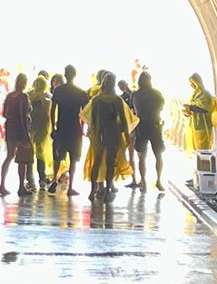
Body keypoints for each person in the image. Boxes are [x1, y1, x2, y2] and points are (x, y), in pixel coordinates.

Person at [85, 72, 130, 210]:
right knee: (111, 163)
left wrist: (92, 131)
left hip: (100, 134)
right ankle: (108, 190)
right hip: (113, 133)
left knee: (97, 162)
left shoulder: (97, 100)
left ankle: (93, 190)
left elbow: (91, 119)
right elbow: (123, 119)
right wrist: (126, 135)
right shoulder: (117, 101)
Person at [49, 63, 87, 195]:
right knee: (73, 158)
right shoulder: (80, 93)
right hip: (74, 127)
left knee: (58, 155)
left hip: (62, 126)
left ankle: (54, 179)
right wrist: (82, 127)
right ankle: (70, 186)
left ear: (65, 75)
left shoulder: (59, 91)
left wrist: (53, 126)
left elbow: (52, 109)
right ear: (75, 75)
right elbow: (84, 113)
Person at [129, 69, 165, 190]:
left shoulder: (135, 95)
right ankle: (159, 180)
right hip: (155, 124)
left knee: (141, 156)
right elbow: (161, 107)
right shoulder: (157, 94)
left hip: (141, 126)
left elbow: (132, 110)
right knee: (158, 155)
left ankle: (143, 181)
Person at [0, 71, 34, 193]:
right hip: (19, 129)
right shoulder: (23, 97)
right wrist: (26, 134)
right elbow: (23, 115)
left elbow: (4, 113)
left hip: (10, 128)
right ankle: (21, 186)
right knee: (22, 159)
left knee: (9, 156)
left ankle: (2, 184)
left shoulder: (9, 96)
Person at [27, 70, 53, 190]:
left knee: (30, 151)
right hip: (43, 126)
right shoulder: (47, 97)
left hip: (30, 126)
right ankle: (42, 178)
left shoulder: (28, 96)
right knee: (40, 151)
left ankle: (29, 178)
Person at [183, 73, 217, 160]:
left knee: (204, 150)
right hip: (196, 127)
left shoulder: (205, 94)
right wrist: (187, 112)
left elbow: (204, 109)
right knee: (198, 150)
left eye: (192, 83)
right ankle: (201, 168)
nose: (191, 85)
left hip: (203, 127)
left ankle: (206, 167)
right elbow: (193, 108)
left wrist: (190, 107)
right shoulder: (195, 94)